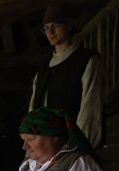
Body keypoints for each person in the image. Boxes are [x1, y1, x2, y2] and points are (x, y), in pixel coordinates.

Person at [29, 3, 103, 148]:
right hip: (45, 148)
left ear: (69, 26)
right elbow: (33, 111)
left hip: (71, 145)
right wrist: (32, 144)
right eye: (46, 28)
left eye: (55, 25)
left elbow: (90, 107)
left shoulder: (86, 60)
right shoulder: (43, 71)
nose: (50, 32)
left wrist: (80, 145)